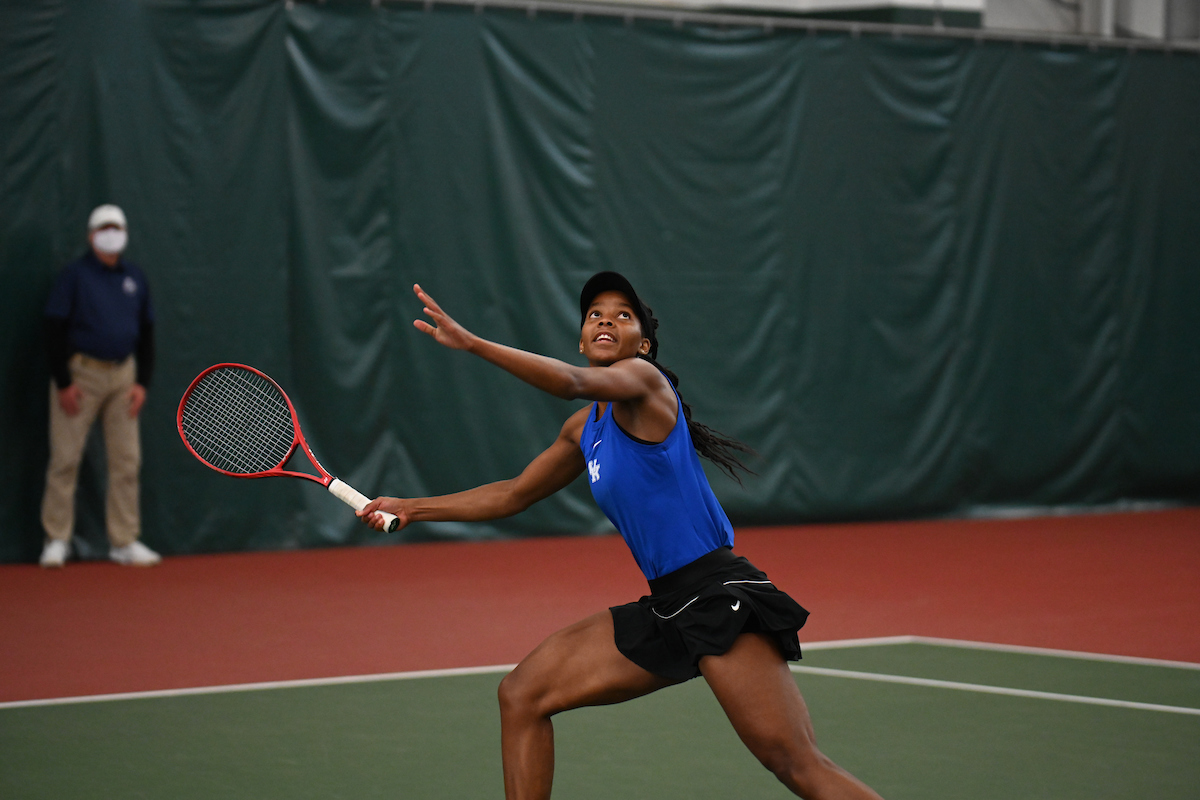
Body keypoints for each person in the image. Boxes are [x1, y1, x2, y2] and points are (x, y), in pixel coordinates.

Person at [358, 273, 885, 800]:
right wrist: (413, 508)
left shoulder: (646, 384)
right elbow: (513, 494)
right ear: (583, 339)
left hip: (717, 597)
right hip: (667, 606)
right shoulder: (584, 428)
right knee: (522, 694)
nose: (606, 319)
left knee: (795, 765)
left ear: (644, 346)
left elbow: (569, 381)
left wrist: (472, 343)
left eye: (623, 314)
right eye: (594, 314)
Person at [38, 204, 161, 568]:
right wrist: (63, 381)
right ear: (92, 235)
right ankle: (56, 539)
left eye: (117, 227)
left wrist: (142, 383)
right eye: (105, 227)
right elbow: (53, 328)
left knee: (127, 461)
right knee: (65, 459)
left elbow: (148, 333)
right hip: (80, 377)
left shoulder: (135, 278)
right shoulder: (74, 276)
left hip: (124, 376)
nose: (112, 232)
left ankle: (123, 541)